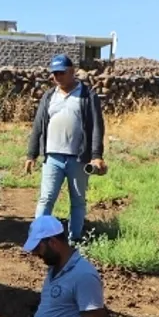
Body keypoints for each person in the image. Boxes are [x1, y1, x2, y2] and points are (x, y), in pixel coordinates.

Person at [24, 54, 107, 241]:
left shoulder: (87, 95)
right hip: (52, 157)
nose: (57, 77)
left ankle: (74, 239)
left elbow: (97, 126)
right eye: (55, 73)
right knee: (46, 198)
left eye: (61, 72)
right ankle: (38, 238)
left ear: (72, 72)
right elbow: (38, 126)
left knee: (77, 201)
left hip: (78, 158)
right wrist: (31, 154)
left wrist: (96, 155)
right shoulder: (49, 96)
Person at [22, 215, 107, 317]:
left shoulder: (84, 275)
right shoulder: (54, 271)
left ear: (53, 242)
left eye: (38, 248)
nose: (36, 254)